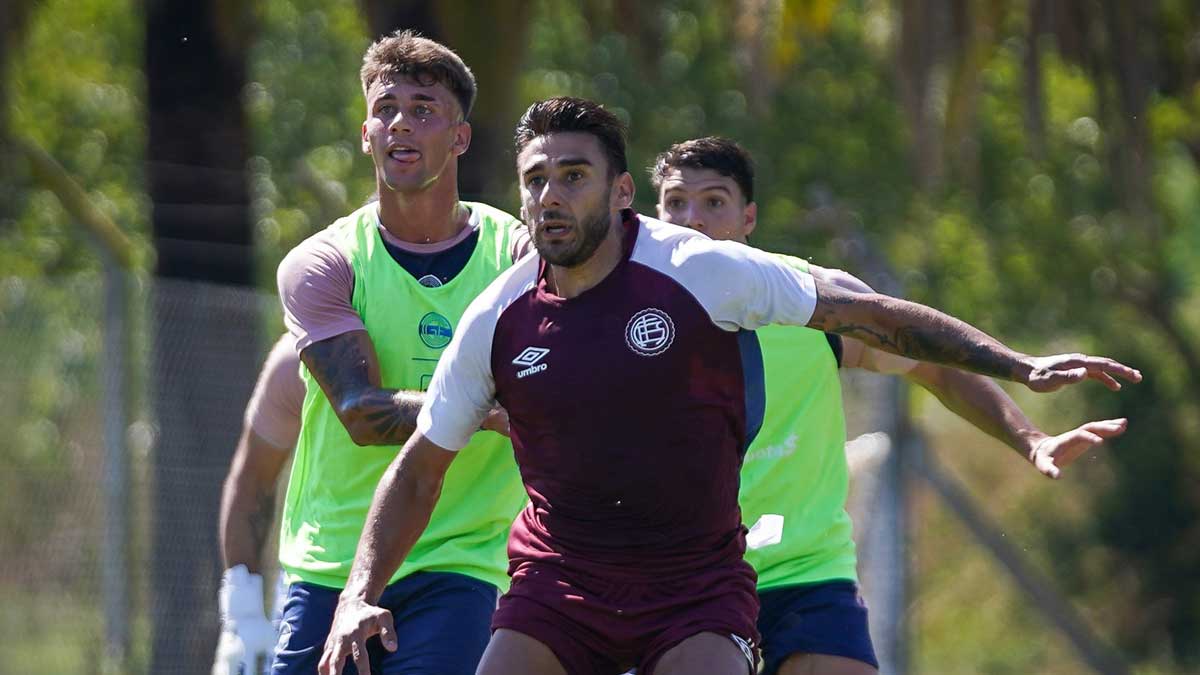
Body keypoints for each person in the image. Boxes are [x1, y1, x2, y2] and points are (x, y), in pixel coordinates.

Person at [319, 97, 1140, 675]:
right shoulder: (497, 318)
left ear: (620, 192)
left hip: (694, 587)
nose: (550, 197)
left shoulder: (704, 274)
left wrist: (1019, 366)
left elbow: (878, 317)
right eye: (536, 180)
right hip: (558, 587)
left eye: (574, 176)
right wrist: (359, 593)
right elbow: (420, 467)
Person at [648, 136, 1130, 675]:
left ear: (748, 218)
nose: (693, 220)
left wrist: (1031, 437)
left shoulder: (813, 303)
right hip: (681, 579)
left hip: (804, 573)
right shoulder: (615, 315)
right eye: (676, 204)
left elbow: (935, 368)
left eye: (714, 202)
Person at [271, 30, 531, 674]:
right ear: (366, 134)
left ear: (460, 137)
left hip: (460, 562)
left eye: (423, 110)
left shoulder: (519, 259)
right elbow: (361, 414)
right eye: (386, 109)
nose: (400, 125)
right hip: (330, 562)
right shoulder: (325, 262)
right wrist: (488, 408)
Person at [213, 334, 304, 675]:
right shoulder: (299, 358)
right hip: (318, 585)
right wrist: (243, 614)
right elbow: (252, 480)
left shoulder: (465, 337)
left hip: (448, 573)